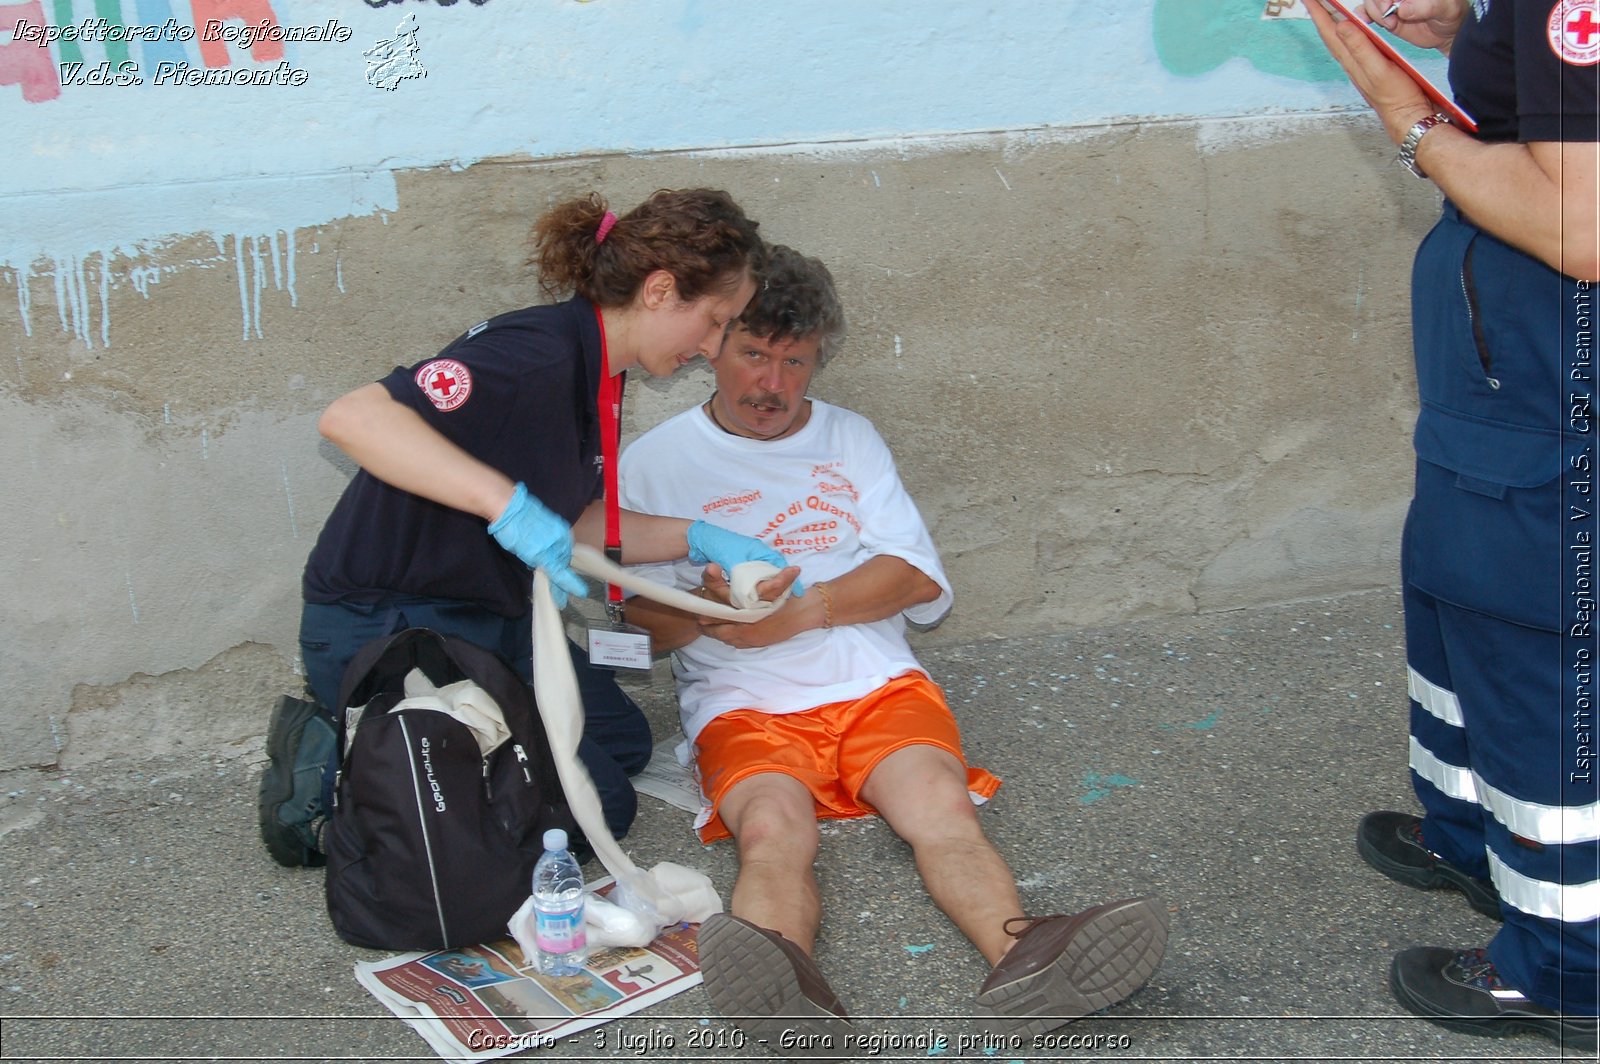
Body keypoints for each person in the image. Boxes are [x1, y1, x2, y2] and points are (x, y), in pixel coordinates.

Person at [618, 246, 1168, 1048]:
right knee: (773, 829)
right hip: (742, 702)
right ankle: (784, 988)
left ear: (818, 358)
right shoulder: (657, 462)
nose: (770, 384)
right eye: (753, 355)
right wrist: (703, 613)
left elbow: (912, 577)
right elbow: (635, 629)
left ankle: (1026, 960)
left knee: (940, 811)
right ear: (712, 346)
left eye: (794, 361)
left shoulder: (850, 437)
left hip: (874, 681)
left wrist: (801, 614)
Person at [258, 188, 802, 870]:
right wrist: (504, 505)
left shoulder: (601, 367)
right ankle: (359, 777)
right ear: (661, 290)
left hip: (490, 614)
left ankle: (437, 759)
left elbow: (574, 524)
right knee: (599, 805)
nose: (714, 346)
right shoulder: (534, 355)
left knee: (623, 741)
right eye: (716, 321)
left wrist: (701, 537)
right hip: (388, 624)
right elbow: (353, 419)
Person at [1305, 0, 1599, 1048]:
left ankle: (1569, 964)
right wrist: (1459, 27)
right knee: (1452, 598)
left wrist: (1406, 114)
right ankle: (1472, 837)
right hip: (1498, 361)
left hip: (1545, 365)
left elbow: (1582, 226)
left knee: (1534, 647)